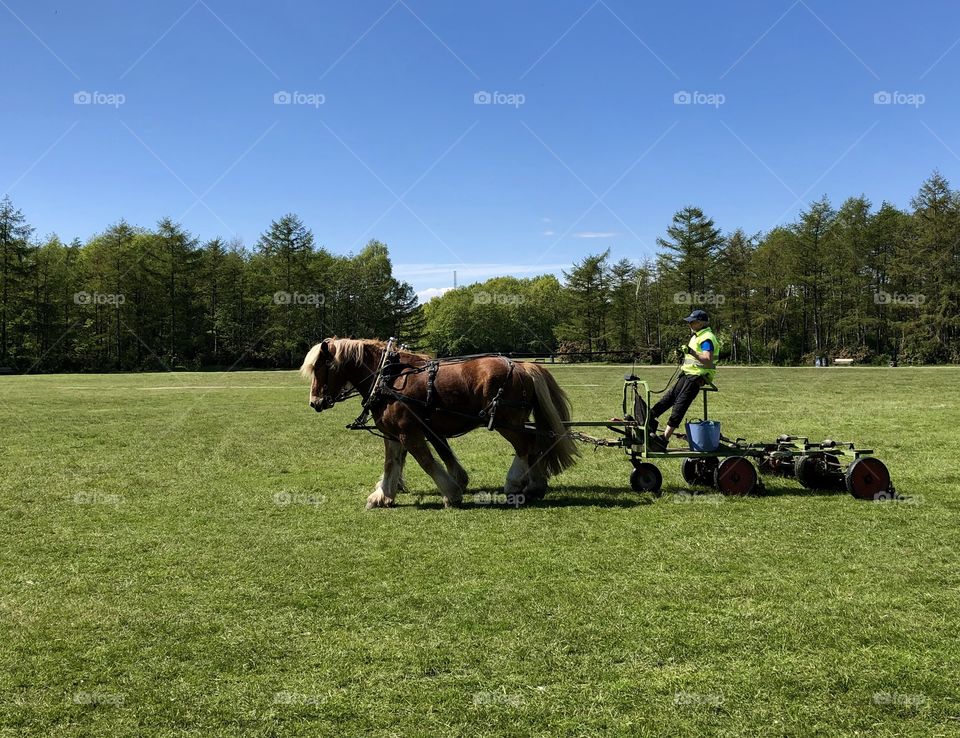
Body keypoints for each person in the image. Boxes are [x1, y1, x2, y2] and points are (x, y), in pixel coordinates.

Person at [647, 309, 719, 448]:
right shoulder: (697, 336)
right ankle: (648, 421)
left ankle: (663, 440)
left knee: (679, 407)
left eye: (692, 322)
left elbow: (708, 360)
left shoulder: (707, 338)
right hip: (687, 374)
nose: (689, 324)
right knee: (667, 399)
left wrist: (691, 351)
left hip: (697, 377)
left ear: (701, 323)